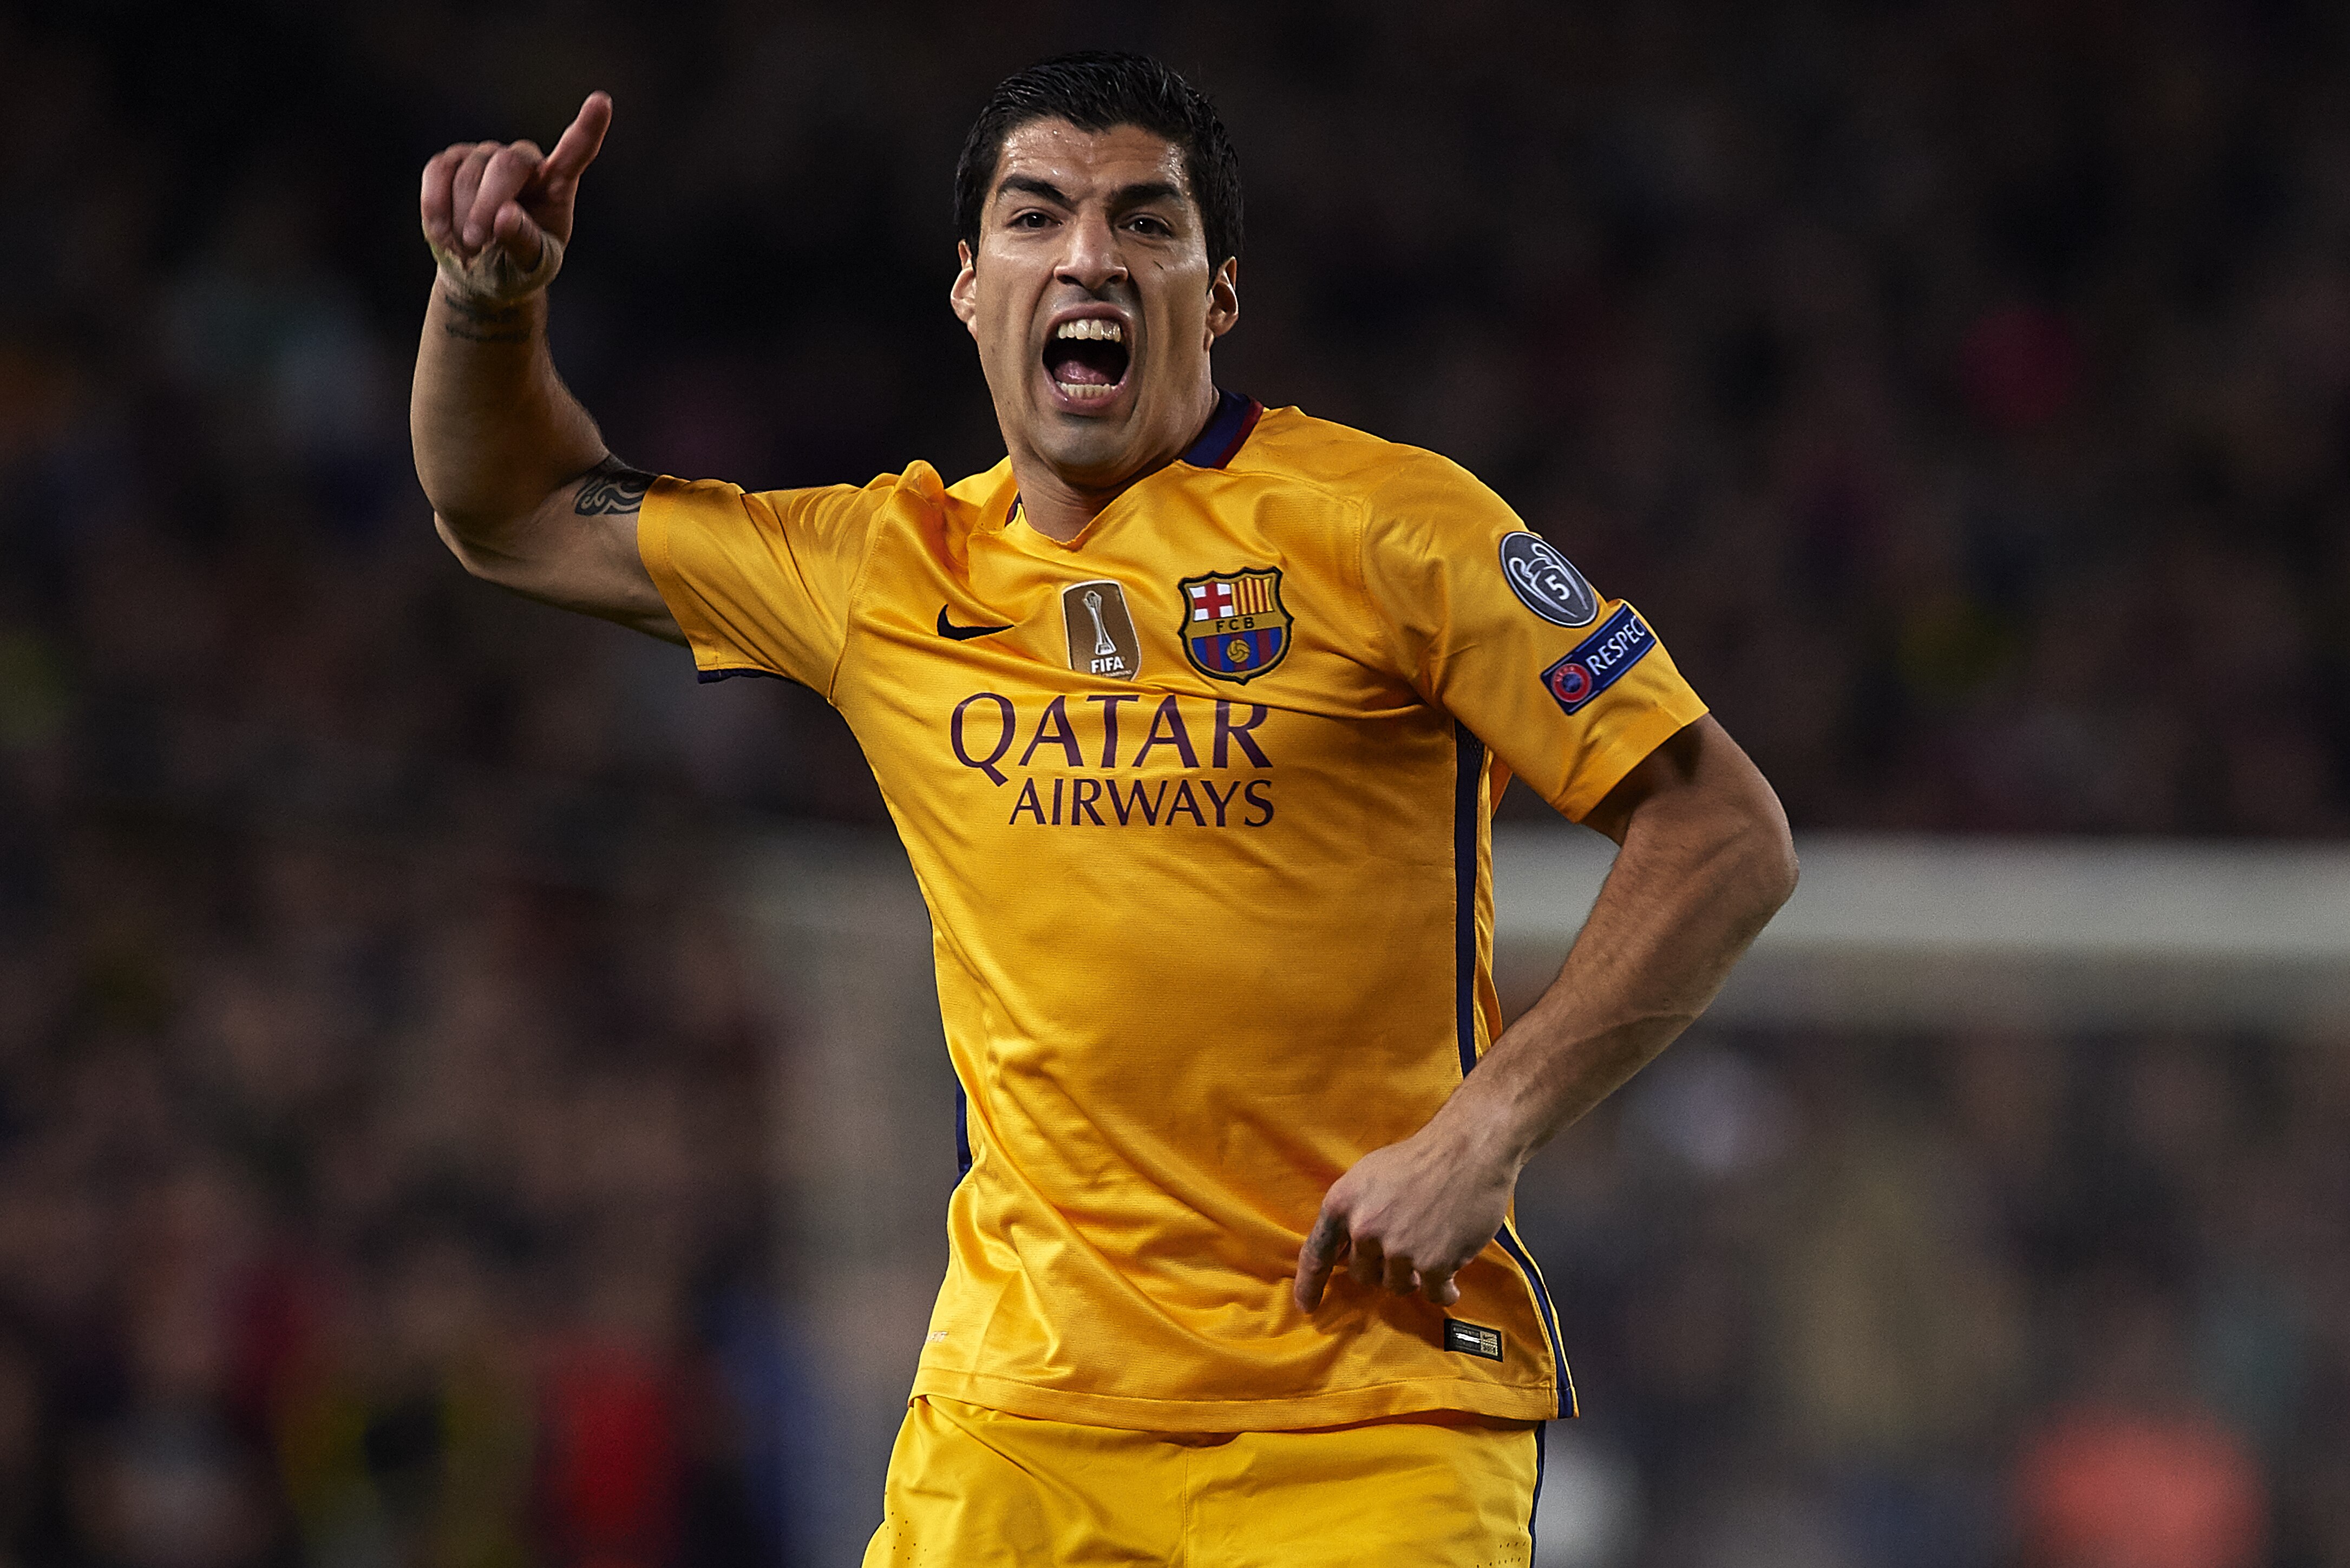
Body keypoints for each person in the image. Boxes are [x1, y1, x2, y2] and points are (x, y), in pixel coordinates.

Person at [412, 51, 1796, 1566]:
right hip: (1021, 1422)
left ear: (1219, 293)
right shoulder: (886, 569)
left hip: (1366, 1413)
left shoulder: (1394, 529)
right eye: (1036, 216)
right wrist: (487, 305)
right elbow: (513, 510)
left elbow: (1722, 831)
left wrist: (1486, 1132)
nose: (1090, 255)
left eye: (1147, 221)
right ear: (969, 285)